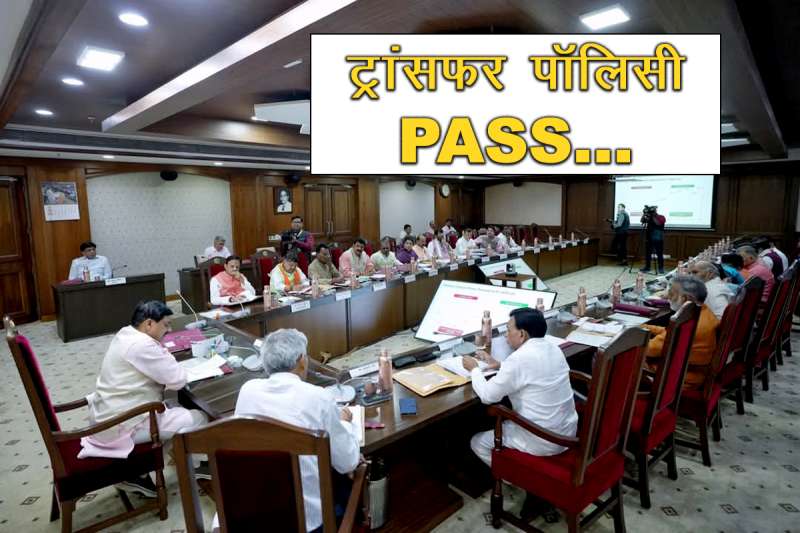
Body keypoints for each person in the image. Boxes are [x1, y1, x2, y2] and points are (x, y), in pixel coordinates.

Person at [234, 329, 360, 533]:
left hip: (251, 516)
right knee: (346, 479)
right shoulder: (318, 397)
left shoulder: (248, 390)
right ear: (302, 361)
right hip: (306, 522)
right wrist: (344, 422)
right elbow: (347, 462)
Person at [79, 301, 208, 495]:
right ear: (149, 324)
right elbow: (178, 379)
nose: (169, 329)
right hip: (122, 423)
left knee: (174, 407)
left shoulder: (125, 333)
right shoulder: (142, 345)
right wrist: (163, 350)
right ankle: (139, 470)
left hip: (107, 416)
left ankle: (140, 470)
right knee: (199, 418)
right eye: (166, 324)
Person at [463, 307, 578, 467]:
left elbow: (488, 396)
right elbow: (532, 370)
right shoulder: (553, 348)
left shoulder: (519, 359)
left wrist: (474, 369)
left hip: (543, 439)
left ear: (522, 334)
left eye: (508, 330)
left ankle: (511, 476)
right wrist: (500, 365)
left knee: (477, 442)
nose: (506, 334)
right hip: (567, 432)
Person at [643, 276, 720, 390]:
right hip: (692, 373)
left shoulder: (683, 324)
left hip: (677, 378)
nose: (668, 297)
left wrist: (625, 336)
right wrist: (642, 327)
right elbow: (667, 333)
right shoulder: (703, 312)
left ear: (686, 298)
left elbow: (650, 350)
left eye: (671, 293)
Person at [640, 205, 666, 274]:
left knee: (659, 253)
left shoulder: (661, 217)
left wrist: (652, 216)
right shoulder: (649, 217)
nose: (651, 212)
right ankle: (647, 267)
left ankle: (661, 268)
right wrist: (644, 214)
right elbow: (642, 221)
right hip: (649, 238)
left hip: (658, 238)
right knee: (648, 253)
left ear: (655, 210)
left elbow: (658, 223)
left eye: (653, 210)